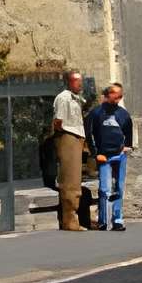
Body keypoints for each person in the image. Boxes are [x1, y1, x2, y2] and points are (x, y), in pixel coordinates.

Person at [86, 83, 134, 230]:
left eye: (120, 94)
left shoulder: (123, 113)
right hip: (104, 156)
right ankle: (104, 221)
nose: (119, 97)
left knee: (119, 188)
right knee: (105, 189)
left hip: (119, 154)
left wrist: (127, 146)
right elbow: (89, 134)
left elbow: (128, 131)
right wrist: (96, 153)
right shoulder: (96, 113)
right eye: (116, 94)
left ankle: (117, 220)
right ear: (108, 95)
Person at [51, 70, 91, 232]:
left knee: (77, 179)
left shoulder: (77, 98)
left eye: (81, 81)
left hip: (77, 136)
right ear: (69, 82)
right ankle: (70, 220)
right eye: (76, 81)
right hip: (69, 136)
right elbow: (58, 122)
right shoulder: (63, 98)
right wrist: (66, 136)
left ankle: (77, 218)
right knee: (70, 181)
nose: (80, 84)